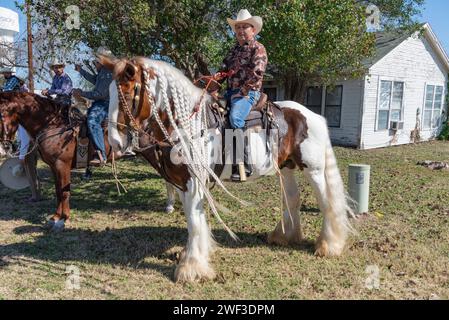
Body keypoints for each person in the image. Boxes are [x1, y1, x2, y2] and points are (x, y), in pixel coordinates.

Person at [215, 9, 268, 181]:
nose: (241, 30)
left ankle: (245, 164)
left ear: (253, 29)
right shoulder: (233, 50)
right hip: (230, 92)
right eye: (238, 27)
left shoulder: (258, 48)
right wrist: (213, 85)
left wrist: (243, 92)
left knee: (236, 117)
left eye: (245, 27)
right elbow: (223, 71)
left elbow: (257, 74)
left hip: (248, 93)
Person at [0, 67, 41, 201]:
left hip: (28, 150)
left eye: (5, 72)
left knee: (29, 168)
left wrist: (22, 155)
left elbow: (5, 92)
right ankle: (35, 194)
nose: (4, 74)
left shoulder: (12, 81)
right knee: (31, 169)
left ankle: (35, 195)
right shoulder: (15, 82)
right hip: (30, 147)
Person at [72, 47, 113, 166]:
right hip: (100, 103)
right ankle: (87, 152)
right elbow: (94, 80)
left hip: (104, 104)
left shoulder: (107, 73)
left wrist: (81, 93)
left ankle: (101, 154)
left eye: (96, 62)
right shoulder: (103, 72)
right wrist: (81, 70)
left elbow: (99, 94)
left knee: (92, 121)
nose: (94, 64)